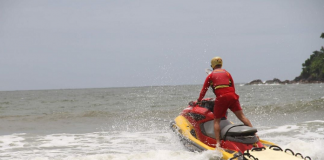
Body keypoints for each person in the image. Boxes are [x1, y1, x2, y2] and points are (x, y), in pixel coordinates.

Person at [196, 57, 253, 148]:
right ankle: (255, 136)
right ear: (221, 64)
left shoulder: (210, 76)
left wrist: (199, 101)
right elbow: (233, 86)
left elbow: (204, 90)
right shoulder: (227, 73)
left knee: (217, 121)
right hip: (233, 96)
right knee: (242, 117)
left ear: (213, 65)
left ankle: (218, 143)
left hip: (222, 98)